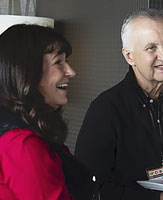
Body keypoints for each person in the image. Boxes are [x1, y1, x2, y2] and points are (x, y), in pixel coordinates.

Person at [75, 8, 163, 200]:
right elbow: (88, 189)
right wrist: (157, 199)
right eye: (151, 48)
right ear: (129, 56)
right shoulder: (105, 111)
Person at [0, 24, 98, 200]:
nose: (71, 72)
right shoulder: (23, 145)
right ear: (28, 72)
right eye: (58, 62)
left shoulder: (21, 131)